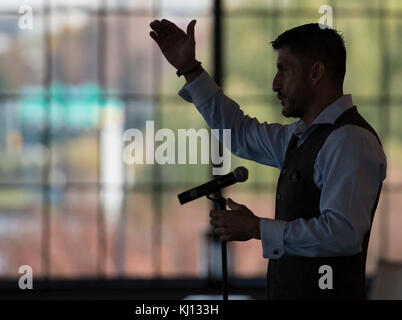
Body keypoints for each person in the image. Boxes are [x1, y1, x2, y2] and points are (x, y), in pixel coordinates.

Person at [149, 19, 386, 300]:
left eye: (283, 70)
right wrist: (190, 70)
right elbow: (239, 132)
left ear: (315, 73)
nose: (275, 84)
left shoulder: (350, 140)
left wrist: (255, 227)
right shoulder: (300, 137)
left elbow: (342, 234)